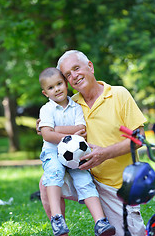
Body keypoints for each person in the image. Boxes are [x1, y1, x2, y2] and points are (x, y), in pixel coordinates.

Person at [38, 50, 147, 236]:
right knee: (47, 180)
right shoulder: (70, 104)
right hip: (85, 175)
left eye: (76, 68)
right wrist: (43, 127)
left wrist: (104, 153)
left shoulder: (119, 94)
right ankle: (59, 228)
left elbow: (139, 139)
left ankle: (106, 221)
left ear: (90, 66)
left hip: (116, 186)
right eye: (67, 75)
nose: (74, 76)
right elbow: (46, 126)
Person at [38, 67, 116, 236]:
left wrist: (55, 130)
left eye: (59, 84)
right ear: (45, 93)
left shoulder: (76, 107)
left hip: (75, 153)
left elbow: (81, 129)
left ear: (66, 84)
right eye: (51, 88)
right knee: (54, 173)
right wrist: (69, 136)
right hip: (53, 153)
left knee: (84, 179)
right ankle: (57, 218)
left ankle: (100, 222)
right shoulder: (46, 110)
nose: (57, 89)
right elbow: (46, 134)